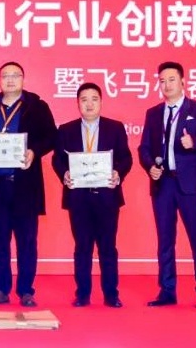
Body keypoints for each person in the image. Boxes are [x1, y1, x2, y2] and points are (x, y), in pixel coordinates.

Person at [0, 62, 56, 307]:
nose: (10, 80)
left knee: (27, 240)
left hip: (25, 186)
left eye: (15, 75)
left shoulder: (37, 106)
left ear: (23, 78)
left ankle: (26, 290)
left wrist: (33, 151)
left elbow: (51, 136)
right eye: (5, 76)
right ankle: (1, 289)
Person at [137, 61, 196, 309]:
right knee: (165, 240)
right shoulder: (153, 113)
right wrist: (150, 166)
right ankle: (167, 291)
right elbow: (144, 148)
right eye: (162, 81)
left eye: (171, 80)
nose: (167, 85)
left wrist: (195, 142)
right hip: (163, 184)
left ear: (182, 81)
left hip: (190, 185)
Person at [52, 82, 132, 307]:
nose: (89, 104)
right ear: (78, 103)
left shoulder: (115, 128)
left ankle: (111, 294)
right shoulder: (66, 130)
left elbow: (126, 158)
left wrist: (118, 173)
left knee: (108, 247)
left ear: (101, 102)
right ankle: (83, 294)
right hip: (78, 198)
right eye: (84, 100)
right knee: (82, 247)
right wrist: (64, 174)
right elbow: (57, 159)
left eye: (94, 99)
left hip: (107, 196)